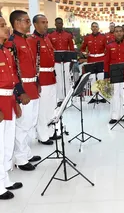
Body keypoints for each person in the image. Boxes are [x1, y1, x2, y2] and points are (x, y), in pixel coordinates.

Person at [4, 10, 41, 171]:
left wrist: (37, 80)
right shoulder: (11, 43)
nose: (29, 24)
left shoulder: (27, 40)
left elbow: (32, 65)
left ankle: (26, 152)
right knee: (23, 124)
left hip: (32, 85)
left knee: (30, 122)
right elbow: (14, 70)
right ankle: (20, 158)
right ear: (17, 23)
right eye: (26, 21)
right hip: (23, 88)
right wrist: (20, 92)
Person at [0, 16, 23, 200]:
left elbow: (13, 80)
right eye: (2, 26)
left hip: (9, 101)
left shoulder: (6, 51)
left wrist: (15, 101)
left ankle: (5, 178)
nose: (6, 28)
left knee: (7, 142)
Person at [27, 14, 58, 146]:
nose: (46, 25)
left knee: (51, 107)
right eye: (43, 22)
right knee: (42, 109)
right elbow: (32, 63)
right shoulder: (31, 40)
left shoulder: (47, 38)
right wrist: (37, 80)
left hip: (51, 76)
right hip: (42, 78)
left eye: (46, 22)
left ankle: (51, 131)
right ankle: (42, 135)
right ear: (35, 25)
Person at [104, 26, 124, 124]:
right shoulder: (109, 45)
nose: (119, 33)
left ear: (123, 33)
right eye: (117, 31)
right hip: (113, 73)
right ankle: (114, 116)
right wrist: (106, 75)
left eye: (120, 31)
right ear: (113, 33)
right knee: (114, 95)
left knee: (123, 94)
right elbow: (106, 61)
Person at [48, 17, 75, 102]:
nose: (59, 25)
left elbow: (71, 48)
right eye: (58, 23)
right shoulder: (51, 35)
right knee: (59, 79)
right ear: (55, 24)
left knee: (67, 78)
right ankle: (60, 98)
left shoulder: (68, 35)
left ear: (62, 24)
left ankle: (68, 97)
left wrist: (72, 60)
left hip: (66, 60)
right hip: (56, 61)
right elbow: (50, 49)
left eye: (61, 23)